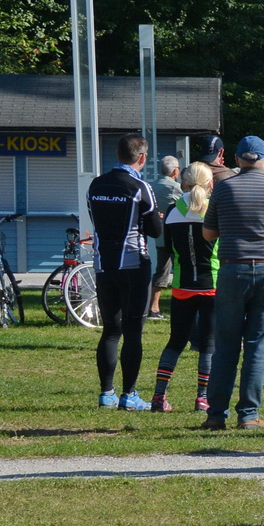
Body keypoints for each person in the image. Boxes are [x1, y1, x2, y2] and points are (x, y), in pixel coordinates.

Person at [200, 135, 264, 431]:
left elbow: (208, 235)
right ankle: (248, 415)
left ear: (237, 159)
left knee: (226, 345)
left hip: (232, 270)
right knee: (257, 345)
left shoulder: (223, 188)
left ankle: (216, 414)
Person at [87, 133, 166, 410]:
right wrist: (156, 219)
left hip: (103, 264)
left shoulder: (96, 184)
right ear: (142, 158)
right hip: (133, 264)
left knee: (110, 330)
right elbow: (156, 230)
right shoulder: (140, 187)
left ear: (117, 154)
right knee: (133, 332)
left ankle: (106, 394)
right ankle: (129, 395)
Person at [151, 161, 218, 411]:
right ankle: (202, 397)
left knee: (175, 341)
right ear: (210, 183)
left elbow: (167, 247)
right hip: (211, 282)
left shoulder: (171, 210)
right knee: (209, 345)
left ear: (185, 181)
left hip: (182, 284)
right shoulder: (213, 209)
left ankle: (159, 397)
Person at [147, 154, 181, 319]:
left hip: (159, 235)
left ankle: (154, 306)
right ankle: (177, 304)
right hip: (176, 236)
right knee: (181, 270)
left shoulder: (152, 186)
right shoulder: (175, 188)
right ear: (175, 171)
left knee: (162, 270)